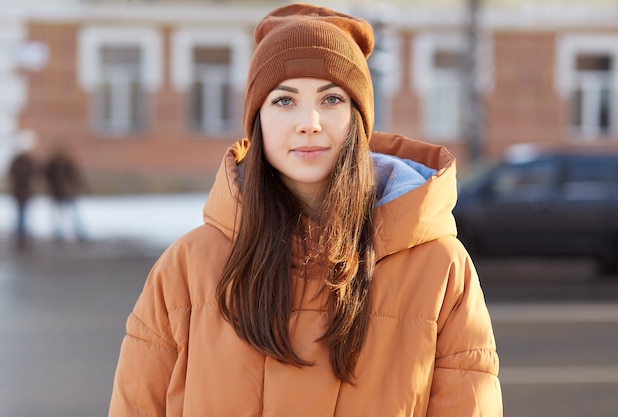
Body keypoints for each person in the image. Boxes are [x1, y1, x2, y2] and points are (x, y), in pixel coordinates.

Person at [108, 4, 502, 416]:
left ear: (358, 119)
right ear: (257, 119)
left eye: (331, 99)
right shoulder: (185, 270)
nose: (309, 122)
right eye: (284, 101)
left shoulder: (439, 269)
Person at [44, 146, 85, 242]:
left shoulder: (66, 165)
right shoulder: (53, 165)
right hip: (59, 193)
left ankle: (79, 232)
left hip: (67, 193)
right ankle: (59, 233)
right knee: (59, 214)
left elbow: (75, 177)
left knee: (73, 214)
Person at [7, 149, 37, 249]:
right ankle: (21, 232)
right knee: (21, 212)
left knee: (22, 212)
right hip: (20, 191)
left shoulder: (24, 162)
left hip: (23, 191)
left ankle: (21, 232)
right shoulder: (24, 162)